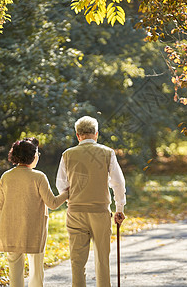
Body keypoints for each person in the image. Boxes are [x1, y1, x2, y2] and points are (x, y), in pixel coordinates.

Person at [56, 116, 126, 287]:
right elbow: (118, 183)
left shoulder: (67, 155)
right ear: (96, 134)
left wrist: (71, 198)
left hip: (75, 213)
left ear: (77, 135)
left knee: (77, 262)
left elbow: (62, 185)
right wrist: (119, 208)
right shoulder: (107, 153)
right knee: (102, 259)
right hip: (100, 212)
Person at [0, 137, 68, 287]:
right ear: (33, 156)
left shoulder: (6, 177)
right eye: (37, 153)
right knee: (36, 270)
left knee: (15, 272)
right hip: (33, 230)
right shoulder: (39, 177)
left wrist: (4, 225)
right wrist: (67, 193)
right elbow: (52, 203)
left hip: (11, 230)